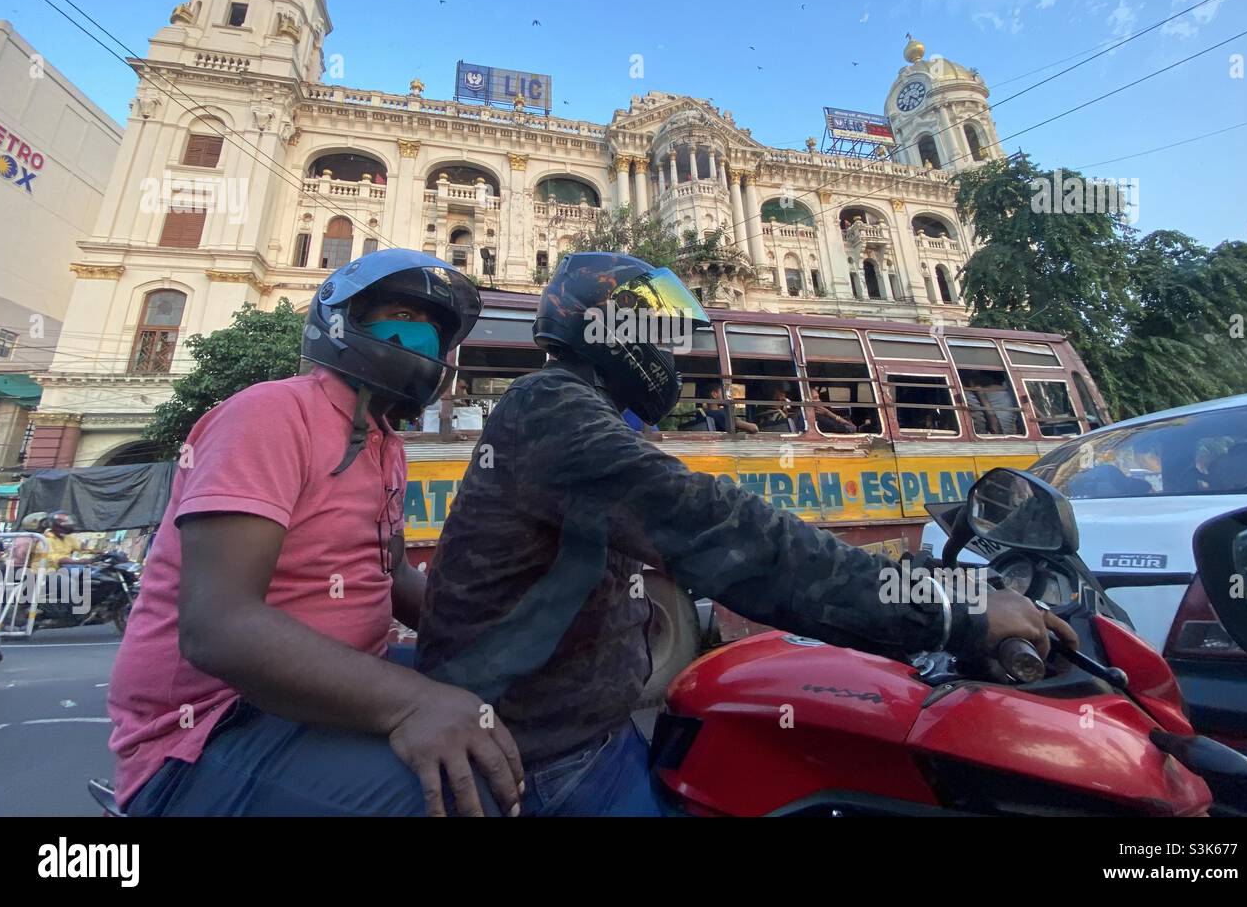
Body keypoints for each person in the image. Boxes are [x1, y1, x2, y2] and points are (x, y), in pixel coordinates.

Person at [415, 253, 1076, 817]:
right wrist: (954, 609)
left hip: (578, 730)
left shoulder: (567, 409)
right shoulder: (553, 411)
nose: (668, 356)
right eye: (659, 336)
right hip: (552, 757)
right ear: (613, 333)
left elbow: (724, 524)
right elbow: (735, 536)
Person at [106, 250, 523, 818]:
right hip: (214, 723)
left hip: (328, 687)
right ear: (339, 322)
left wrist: (498, 638)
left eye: (434, 328)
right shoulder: (272, 413)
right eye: (402, 313)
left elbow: (390, 571)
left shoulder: (386, 444)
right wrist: (414, 703)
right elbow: (219, 627)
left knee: (515, 711)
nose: (420, 337)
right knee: (461, 794)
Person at [685, 381, 758, 433]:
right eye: (724, 392)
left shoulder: (704, 414)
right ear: (714, 394)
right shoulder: (719, 414)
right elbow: (754, 428)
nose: (727, 396)